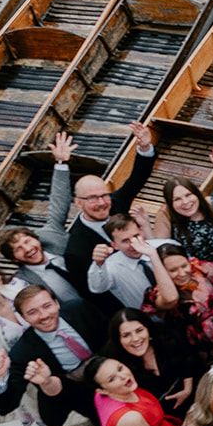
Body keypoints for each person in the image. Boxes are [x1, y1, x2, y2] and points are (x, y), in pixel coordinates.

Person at [0, 285, 102, 426]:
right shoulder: (22, 352)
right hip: (69, 386)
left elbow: (108, 332)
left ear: (57, 303)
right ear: (23, 318)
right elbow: (5, 406)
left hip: (103, 365)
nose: (44, 316)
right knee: (52, 415)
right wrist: (0, 377)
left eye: (47, 306)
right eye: (32, 312)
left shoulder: (79, 308)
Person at [63, 122, 157, 309]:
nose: (101, 203)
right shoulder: (76, 250)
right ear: (78, 202)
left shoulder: (116, 202)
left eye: (104, 195)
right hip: (133, 302)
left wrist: (145, 147)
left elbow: (136, 179)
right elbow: (93, 294)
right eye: (92, 198)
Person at [105, 309, 199, 413]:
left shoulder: (167, 337)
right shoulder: (118, 365)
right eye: (126, 335)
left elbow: (188, 358)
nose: (135, 338)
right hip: (166, 415)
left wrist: (187, 390)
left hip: (196, 394)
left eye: (139, 330)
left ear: (148, 329)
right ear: (119, 340)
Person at [153, 176, 213, 269]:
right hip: (192, 272)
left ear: (197, 193)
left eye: (188, 195)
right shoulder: (166, 215)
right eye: (177, 199)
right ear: (170, 203)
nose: (185, 202)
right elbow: (162, 250)